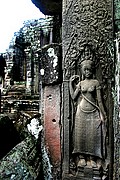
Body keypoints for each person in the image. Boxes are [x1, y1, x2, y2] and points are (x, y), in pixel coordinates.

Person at [69, 60, 107, 168]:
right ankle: (81, 157)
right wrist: (70, 84)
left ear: (92, 70)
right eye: (85, 70)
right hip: (81, 111)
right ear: (82, 71)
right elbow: (73, 97)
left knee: (94, 135)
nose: (87, 72)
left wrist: (103, 114)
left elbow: (99, 100)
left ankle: (93, 158)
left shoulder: (95, 83)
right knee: (80, 134)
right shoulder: (81, 83)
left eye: (89, 69)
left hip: (93, 111)